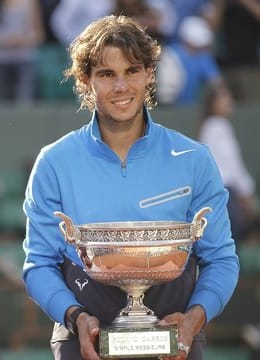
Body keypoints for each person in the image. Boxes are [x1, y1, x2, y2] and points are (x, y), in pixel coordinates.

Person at [22, 15, 239, 360]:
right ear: (85, 80)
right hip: (83, 336)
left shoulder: (194, 159)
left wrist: (194, 319)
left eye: (132, 71)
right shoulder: (54, 162)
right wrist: (75, 317)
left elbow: (221, 258)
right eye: (107, 74)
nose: (121, 87)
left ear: (149, 74)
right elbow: (40, 264)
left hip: (176, 334)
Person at [197, 86, 258, 241]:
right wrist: (246, 191)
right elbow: (231, 165)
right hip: (225, 192)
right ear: (213, 103)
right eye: (224, 98)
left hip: (223, 192)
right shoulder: (216, 127)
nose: (229, 101)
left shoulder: (216, 126)